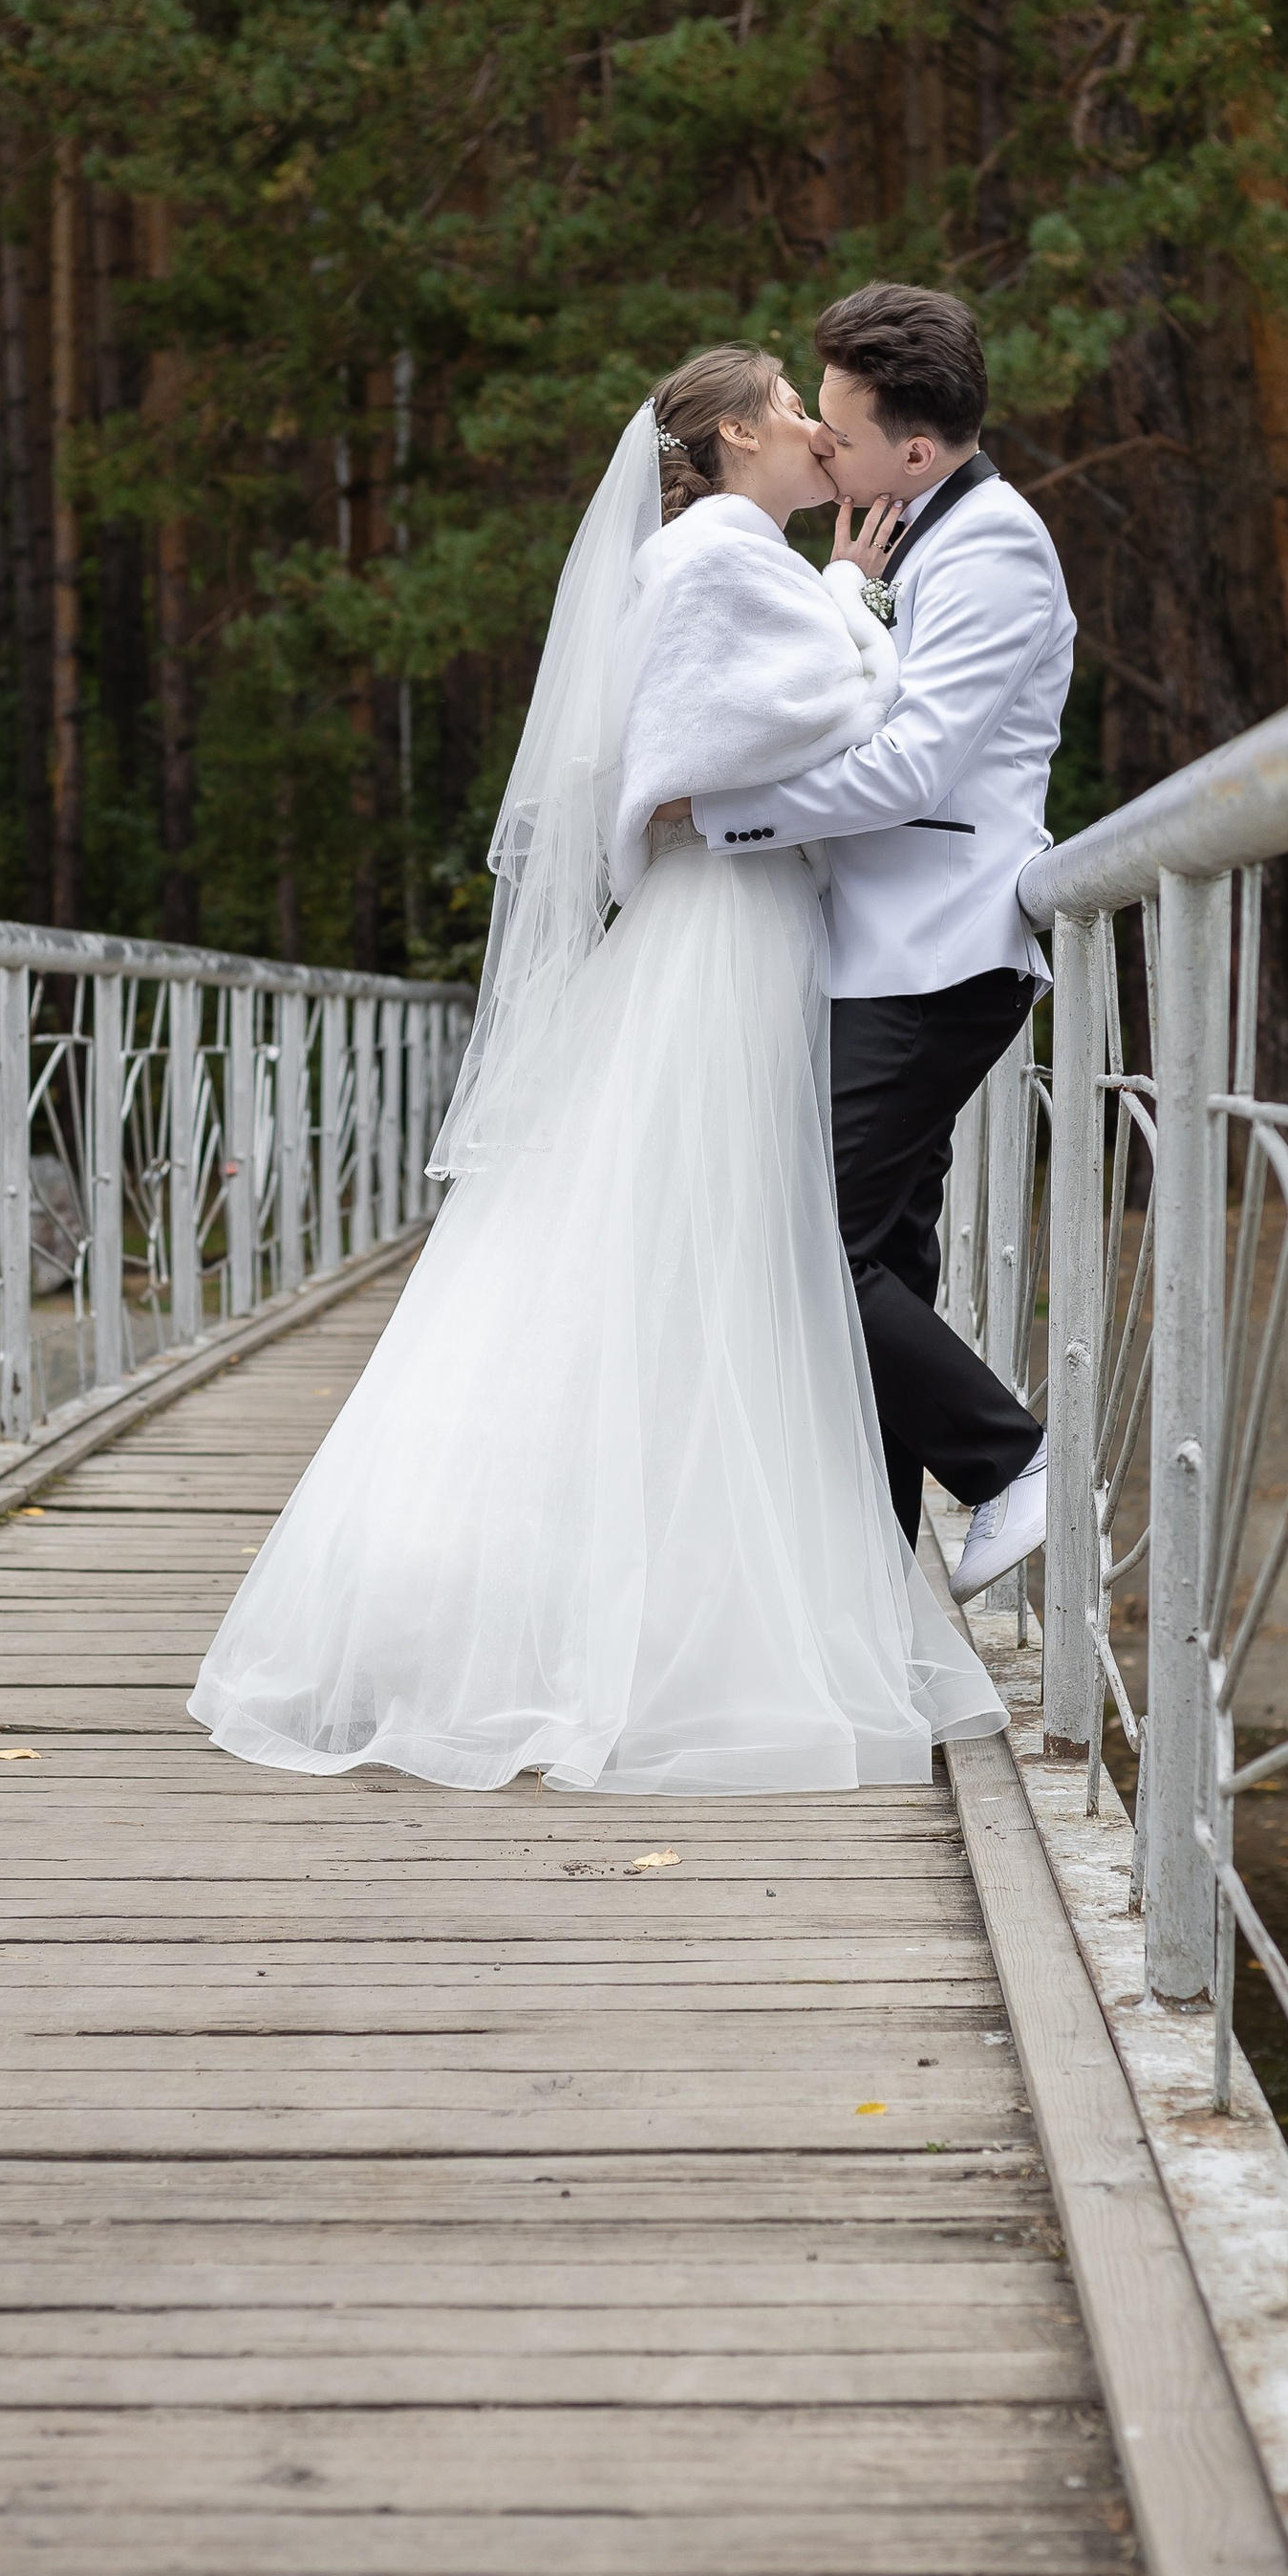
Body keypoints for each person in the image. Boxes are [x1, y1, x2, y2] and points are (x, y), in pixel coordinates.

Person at [186, 347, 1003, 1797]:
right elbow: (814, 718)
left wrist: (830, 594)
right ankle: (679, 1605)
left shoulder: (723, 553)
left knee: (707, 1247)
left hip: (737, 917)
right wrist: (855, 599)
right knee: (733, 1242)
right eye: (794, 405)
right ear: (738, 431)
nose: (819, 431)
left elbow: (755, 714)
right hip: (729, 928)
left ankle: (696, 1585)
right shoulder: (719, 552)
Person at [692, 283, 1073, 1602]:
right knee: (884, 1252)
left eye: (839, 430)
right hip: (876, 948)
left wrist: (721, 819)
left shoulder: (995, 551)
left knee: (803, 1241)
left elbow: (912, 767)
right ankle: (873, 1585)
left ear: (915, 449)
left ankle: (1013, 1459)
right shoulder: (910, 525)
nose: (819, 442)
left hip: (940, 952)